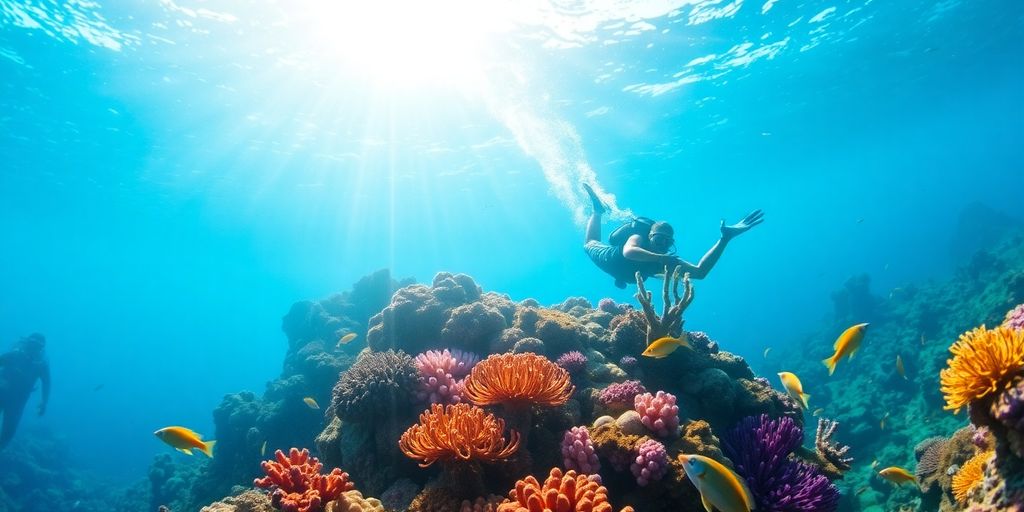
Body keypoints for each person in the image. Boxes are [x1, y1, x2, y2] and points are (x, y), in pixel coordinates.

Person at [582, 183, 764, 288]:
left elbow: (700, 272)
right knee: (590, 243)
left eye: (667, 242)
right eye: (659, 239)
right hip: (611, 259)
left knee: (625, 277)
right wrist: (661, 258)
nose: (662, 245)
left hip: (626, 275)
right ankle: (597, 212)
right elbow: (629, 252)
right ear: (650, 236)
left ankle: (620, 278)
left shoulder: (666, 261)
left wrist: (725, 239)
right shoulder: (639, 237)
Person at [0, 333, 51, 450]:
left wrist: (44, 402)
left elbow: (47, 383)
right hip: (2, 392)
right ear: (27, 344)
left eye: (37, 347)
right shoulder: (15, 355)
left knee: (9, 432)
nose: (33, 350)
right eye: (31, 345)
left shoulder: (41, 365)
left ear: (41, 349)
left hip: (18, 400)